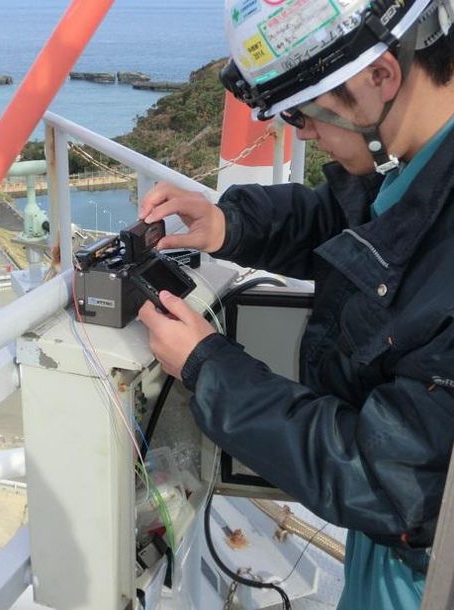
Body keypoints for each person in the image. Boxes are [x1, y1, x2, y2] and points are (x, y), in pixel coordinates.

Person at [136, 0, 454, 608]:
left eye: (304, 113)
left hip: (425, 571)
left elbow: (386, 479)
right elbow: (355, 222)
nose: (302, 133)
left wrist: (209, 367)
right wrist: (228, 224)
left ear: (380, 75)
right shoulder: (421, 160)